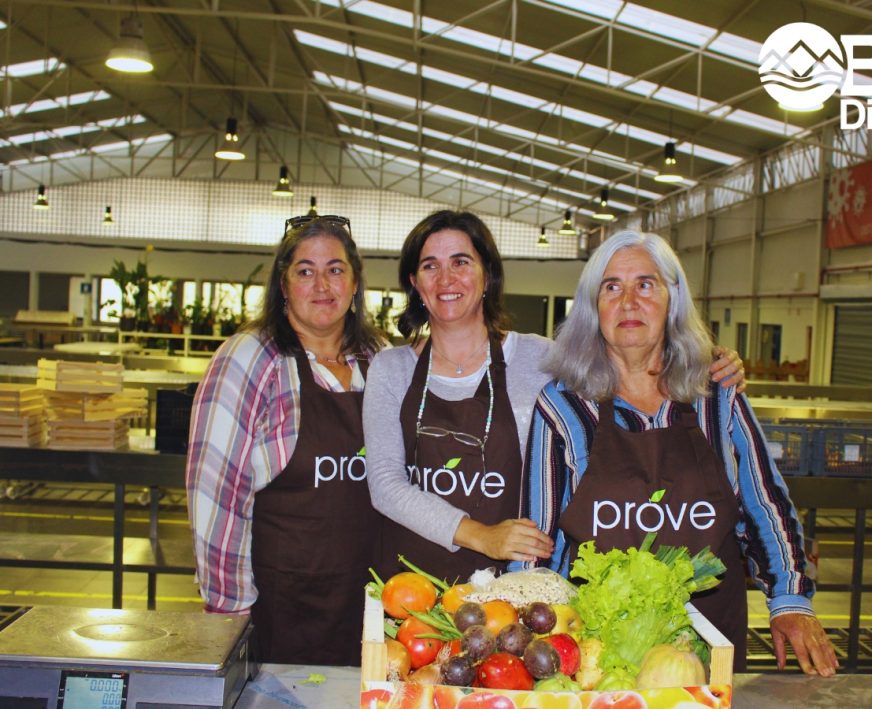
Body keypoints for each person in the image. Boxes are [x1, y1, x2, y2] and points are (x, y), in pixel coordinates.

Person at [363, 210, 746, 584]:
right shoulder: (391, 369)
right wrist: (482, 534)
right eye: (430, 266)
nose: (446, 278)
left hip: (516, 583)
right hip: (412, 587)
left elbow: (632, 365)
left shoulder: (543, 359)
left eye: (461, 262)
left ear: (487, 276)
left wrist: (705, 361)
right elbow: (385, 484)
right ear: (414, 281)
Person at [518, 230, 838, 676]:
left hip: (707, 640)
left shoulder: (717, 395)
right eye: (612, 287)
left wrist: (790, 600)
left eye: (645, 284)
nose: (628, 301)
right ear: (594, 308)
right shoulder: (564, 404)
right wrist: (529, 626)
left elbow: (764, 503)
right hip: (596, 647)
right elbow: (539, 536)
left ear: (674, 300)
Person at [186, 214, 386, 666]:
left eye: (336, 269)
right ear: (283, 285)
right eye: (305, 271)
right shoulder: (250, 358)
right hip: (279, 608)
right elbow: (215, 494)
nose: (322, 285)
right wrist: (230, 613)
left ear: (355, 285)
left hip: (369, 605)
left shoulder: (379, 360)